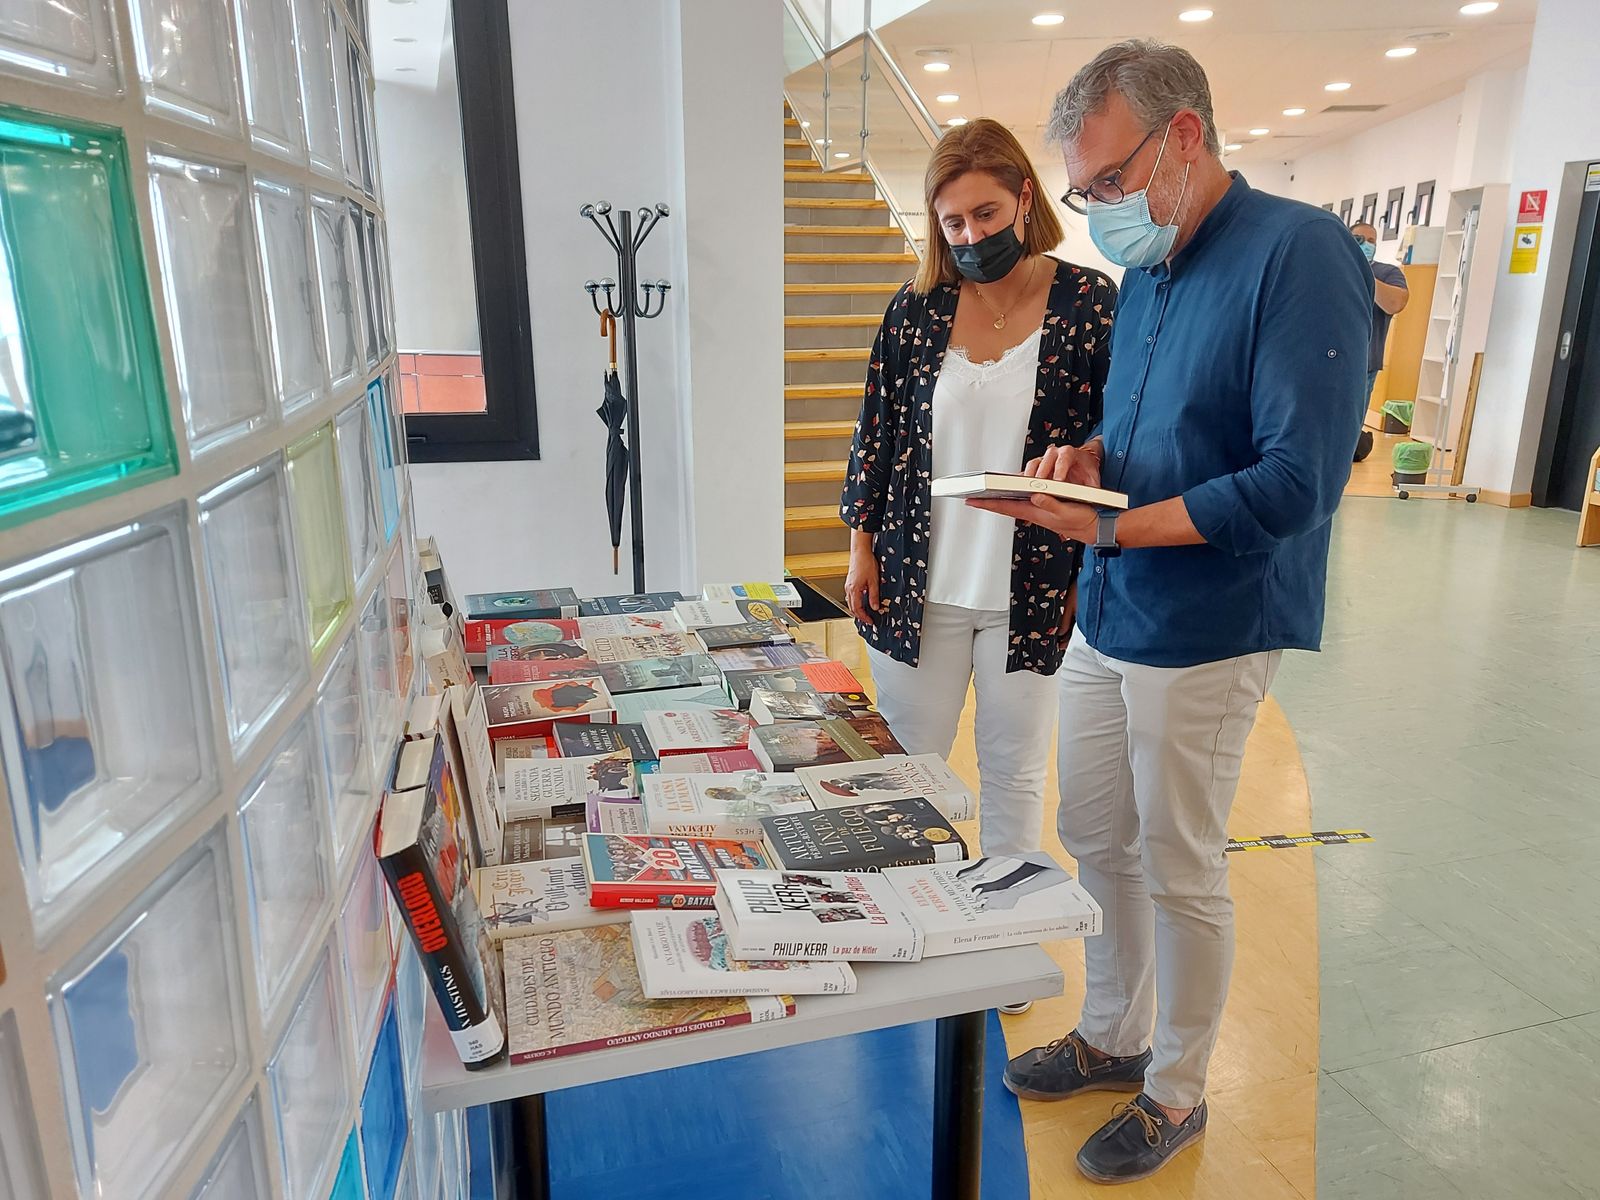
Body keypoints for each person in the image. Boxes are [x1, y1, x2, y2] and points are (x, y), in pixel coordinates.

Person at [972, 40, 1369, 1184]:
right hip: (1115, 603)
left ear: (1183, 136)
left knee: (1180, 859)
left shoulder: (1298, 255)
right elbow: (1155, 437)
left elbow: (1296, 481)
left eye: (1107, 181)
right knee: (1096, 831)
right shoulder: (1151, 272)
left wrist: (1110, 526)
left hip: (1211, 622)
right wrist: (1086, 463)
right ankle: (1113, 1031)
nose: (1098, 211)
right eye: (1084, 192)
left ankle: (1178, 1087)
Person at [839, 118, 1115, 874]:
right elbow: (877, 438)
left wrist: (1087, 572)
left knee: (1015, 770)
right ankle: (911, 913)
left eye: (986, 214)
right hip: (917, 581)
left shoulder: (1089, 302)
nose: (969, 234)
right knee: (908, 770)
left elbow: (1115, 440)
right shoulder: (916, 309)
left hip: (1031, 582)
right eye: (952, 220)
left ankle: (1008, 922)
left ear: (1025, 197)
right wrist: (861, 549)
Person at [1350, 221, 1410, 404]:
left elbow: (1395, 303)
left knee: (1351, 424)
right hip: (1328, 359)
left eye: (1371, 241)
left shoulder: (1387, 272)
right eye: (1359, 239)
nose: (1366, 245)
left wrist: (1363, 273)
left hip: (1364, 364)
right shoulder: (1335, 268)